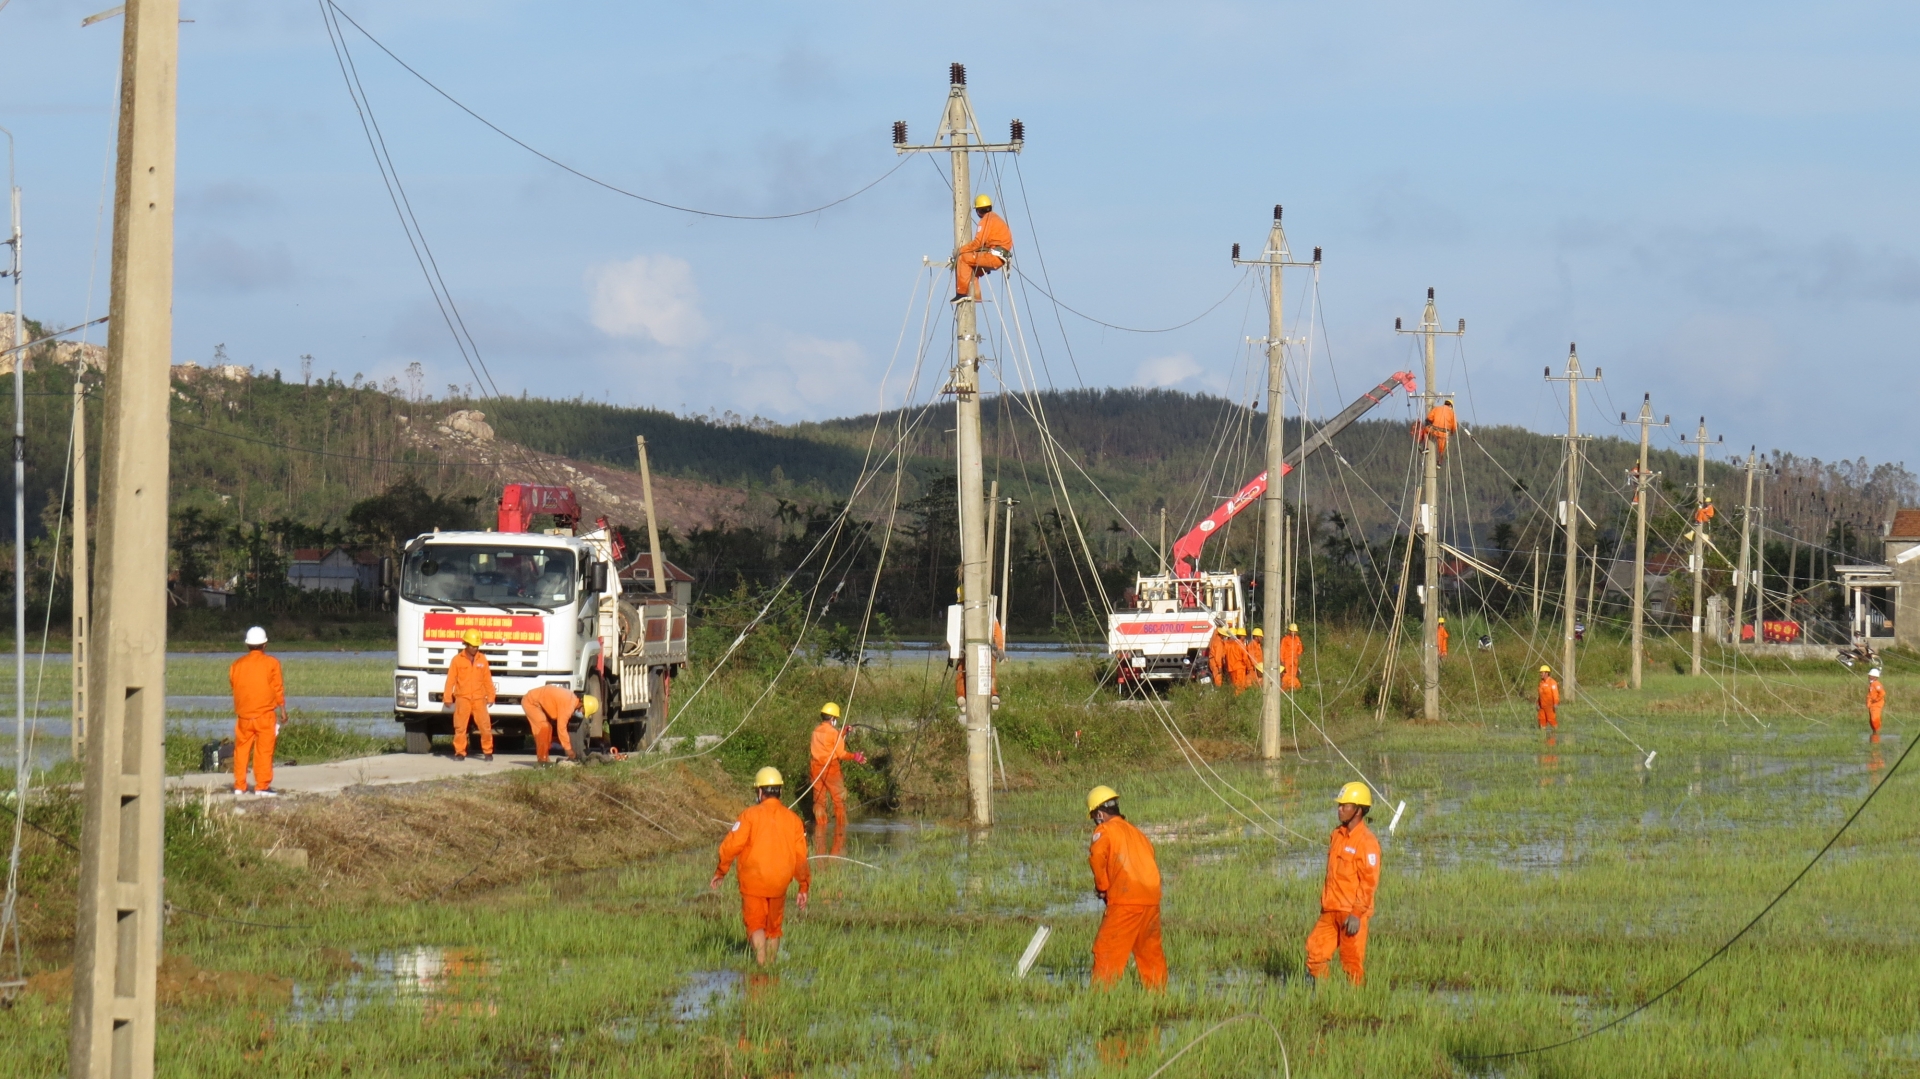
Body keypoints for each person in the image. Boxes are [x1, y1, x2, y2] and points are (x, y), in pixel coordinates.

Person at [711, 767, 811, 967]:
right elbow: (801, 858)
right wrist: (803, 886)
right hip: (779, 883)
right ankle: (771, 966)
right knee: (774, 928)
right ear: (780, 791)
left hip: (753, 881)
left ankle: (760, 963)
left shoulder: (749, 815)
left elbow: (731, 846)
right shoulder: (794, 820)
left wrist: (721, 871)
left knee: (756, 924)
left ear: (759, 791)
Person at [1084, 785, 1166, 990]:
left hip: (1126, 902)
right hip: (1151, 901)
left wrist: (1103, 887)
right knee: (1150, 952)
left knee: (1107, 949)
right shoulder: (1138, 834)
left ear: (1100, 814)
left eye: (1094, 816)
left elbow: (1097, 859)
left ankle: (1100, 999)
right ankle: (1158, 996)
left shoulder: (1104, 830)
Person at [1304, 782, 1381, 987]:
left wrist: (1357, 913)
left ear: (1358, 810)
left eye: (1344, 805)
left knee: (1351, 963)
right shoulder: (1336, 835)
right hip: (1329, 910)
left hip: (1351, 915)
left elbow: (1369, 882)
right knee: (1314, 954)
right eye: (1339, 805)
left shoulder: (1367, 842)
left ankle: (1356, 1005)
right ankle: (1325, 995)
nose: (1339, 809)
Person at [229, 626, 288, 797]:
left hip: (243, 716)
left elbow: (234, 685)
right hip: (265, 715)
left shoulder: (237, 665)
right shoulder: (271, 663)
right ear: (265, 644)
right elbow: (277, 688)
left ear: (247, 645)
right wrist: (283, 709)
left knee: (241, 750)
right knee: (264, 751)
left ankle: (240, 786)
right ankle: (261, 786)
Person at [809, 702, 867, 847]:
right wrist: (855, 756)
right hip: (830, 769)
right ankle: (841, 833)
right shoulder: (833, 733)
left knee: (819, 802)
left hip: (815, 768)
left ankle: (820, 833)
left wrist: (843, 732)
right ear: (833, 718)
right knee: (838, 800)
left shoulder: (816, 731)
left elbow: (829, 741)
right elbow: (840, 753)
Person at [447, 629, 497, 761]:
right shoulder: (457, 660)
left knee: (485, 727)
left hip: (479, 699)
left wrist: (491, 696)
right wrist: (447, 697)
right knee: (460, 727)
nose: (475, 648)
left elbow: (487, 679)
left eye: (477, 646)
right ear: (466, 644)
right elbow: (450, 680)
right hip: (462, 698)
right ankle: (460, 752)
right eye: (473, 645)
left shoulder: (482, 659)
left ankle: (488, 752)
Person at [954, 194, 1012, 301]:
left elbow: (978, 243)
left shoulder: (985, 220)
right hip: (1000, 257)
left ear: (978, 211)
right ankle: (975, 295)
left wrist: (960, 251)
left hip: (994, 257)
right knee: (972, 267)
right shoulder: (996, 219)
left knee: (963, 258)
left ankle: (962, 293)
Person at [521, 683, 593, 764]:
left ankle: (545, 758)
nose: (582, 715)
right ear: (582, 706)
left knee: (549, 729)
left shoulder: (572, 699)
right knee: (544, 728)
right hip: (530, 702)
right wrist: (568, 750)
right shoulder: (568, 707)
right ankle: (542, 761)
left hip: (537, 702)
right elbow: (561, 728)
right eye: (584, 712)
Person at [1227, 628, 1257, 692]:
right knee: (1240, 686)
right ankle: (1238, 699)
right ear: (1242, 636)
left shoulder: (1231, 645)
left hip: (1232, 669)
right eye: (1244, 636)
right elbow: (1245, 658)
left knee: (1234, 685)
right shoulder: (1241, 645)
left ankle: (1234, 699)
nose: (1245, 638)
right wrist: (1249, 667)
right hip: (1239, 668)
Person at [1279, 623, 1304, 692]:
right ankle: (1285, 688)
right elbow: (1282, 650)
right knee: (1286, 675)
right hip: (1287, 661)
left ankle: (1292, 688)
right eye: (1292, 631)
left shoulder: (1297, 639)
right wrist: (1282, 661)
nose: (1293, 633)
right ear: (1289, 631)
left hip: (1294, 661)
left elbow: (1300, 648)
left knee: (1293, 675)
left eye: (1295, 631)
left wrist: (1298, 654)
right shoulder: (1285, 639)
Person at [1207, 621, 1233, 687]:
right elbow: (1218, 657)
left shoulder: (1216, 639)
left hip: (1212, 660)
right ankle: (1218, 691)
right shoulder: (1219, 643)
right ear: (1221, 634)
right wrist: (1220, 667)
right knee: (1218, 678)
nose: (1225, 637)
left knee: (1215, 677)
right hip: (1215, 663)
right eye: (1224, 635)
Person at [1537, 665, 1560, 729]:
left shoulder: (1552, 682)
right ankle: (1542, 735)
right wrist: (1538, 703)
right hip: (1542, 706)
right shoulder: (1541, 683)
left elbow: (1556, 694)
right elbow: (1540, 695)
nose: (1541, 674)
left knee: (1551, 719)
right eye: (1540, 672)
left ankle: (1556, 733)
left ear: (1547, 673)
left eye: (1542, 672)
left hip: (1550, 706)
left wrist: (1555, 703)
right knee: (1541, 720)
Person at [1867, 667, 1886, 740]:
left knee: (1875, 719)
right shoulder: (1871, 684)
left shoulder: (1876, 684)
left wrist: (1876, 700)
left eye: (1871, 676)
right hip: (1871, 706)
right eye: (1869, 675)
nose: (1869, 677)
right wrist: (1868, 703)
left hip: (1876, 705)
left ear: (1875, 677)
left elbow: (1882, 693)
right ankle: (1874, 735)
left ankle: (1876, 735)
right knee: (1871, 721)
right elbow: (1870, 695)